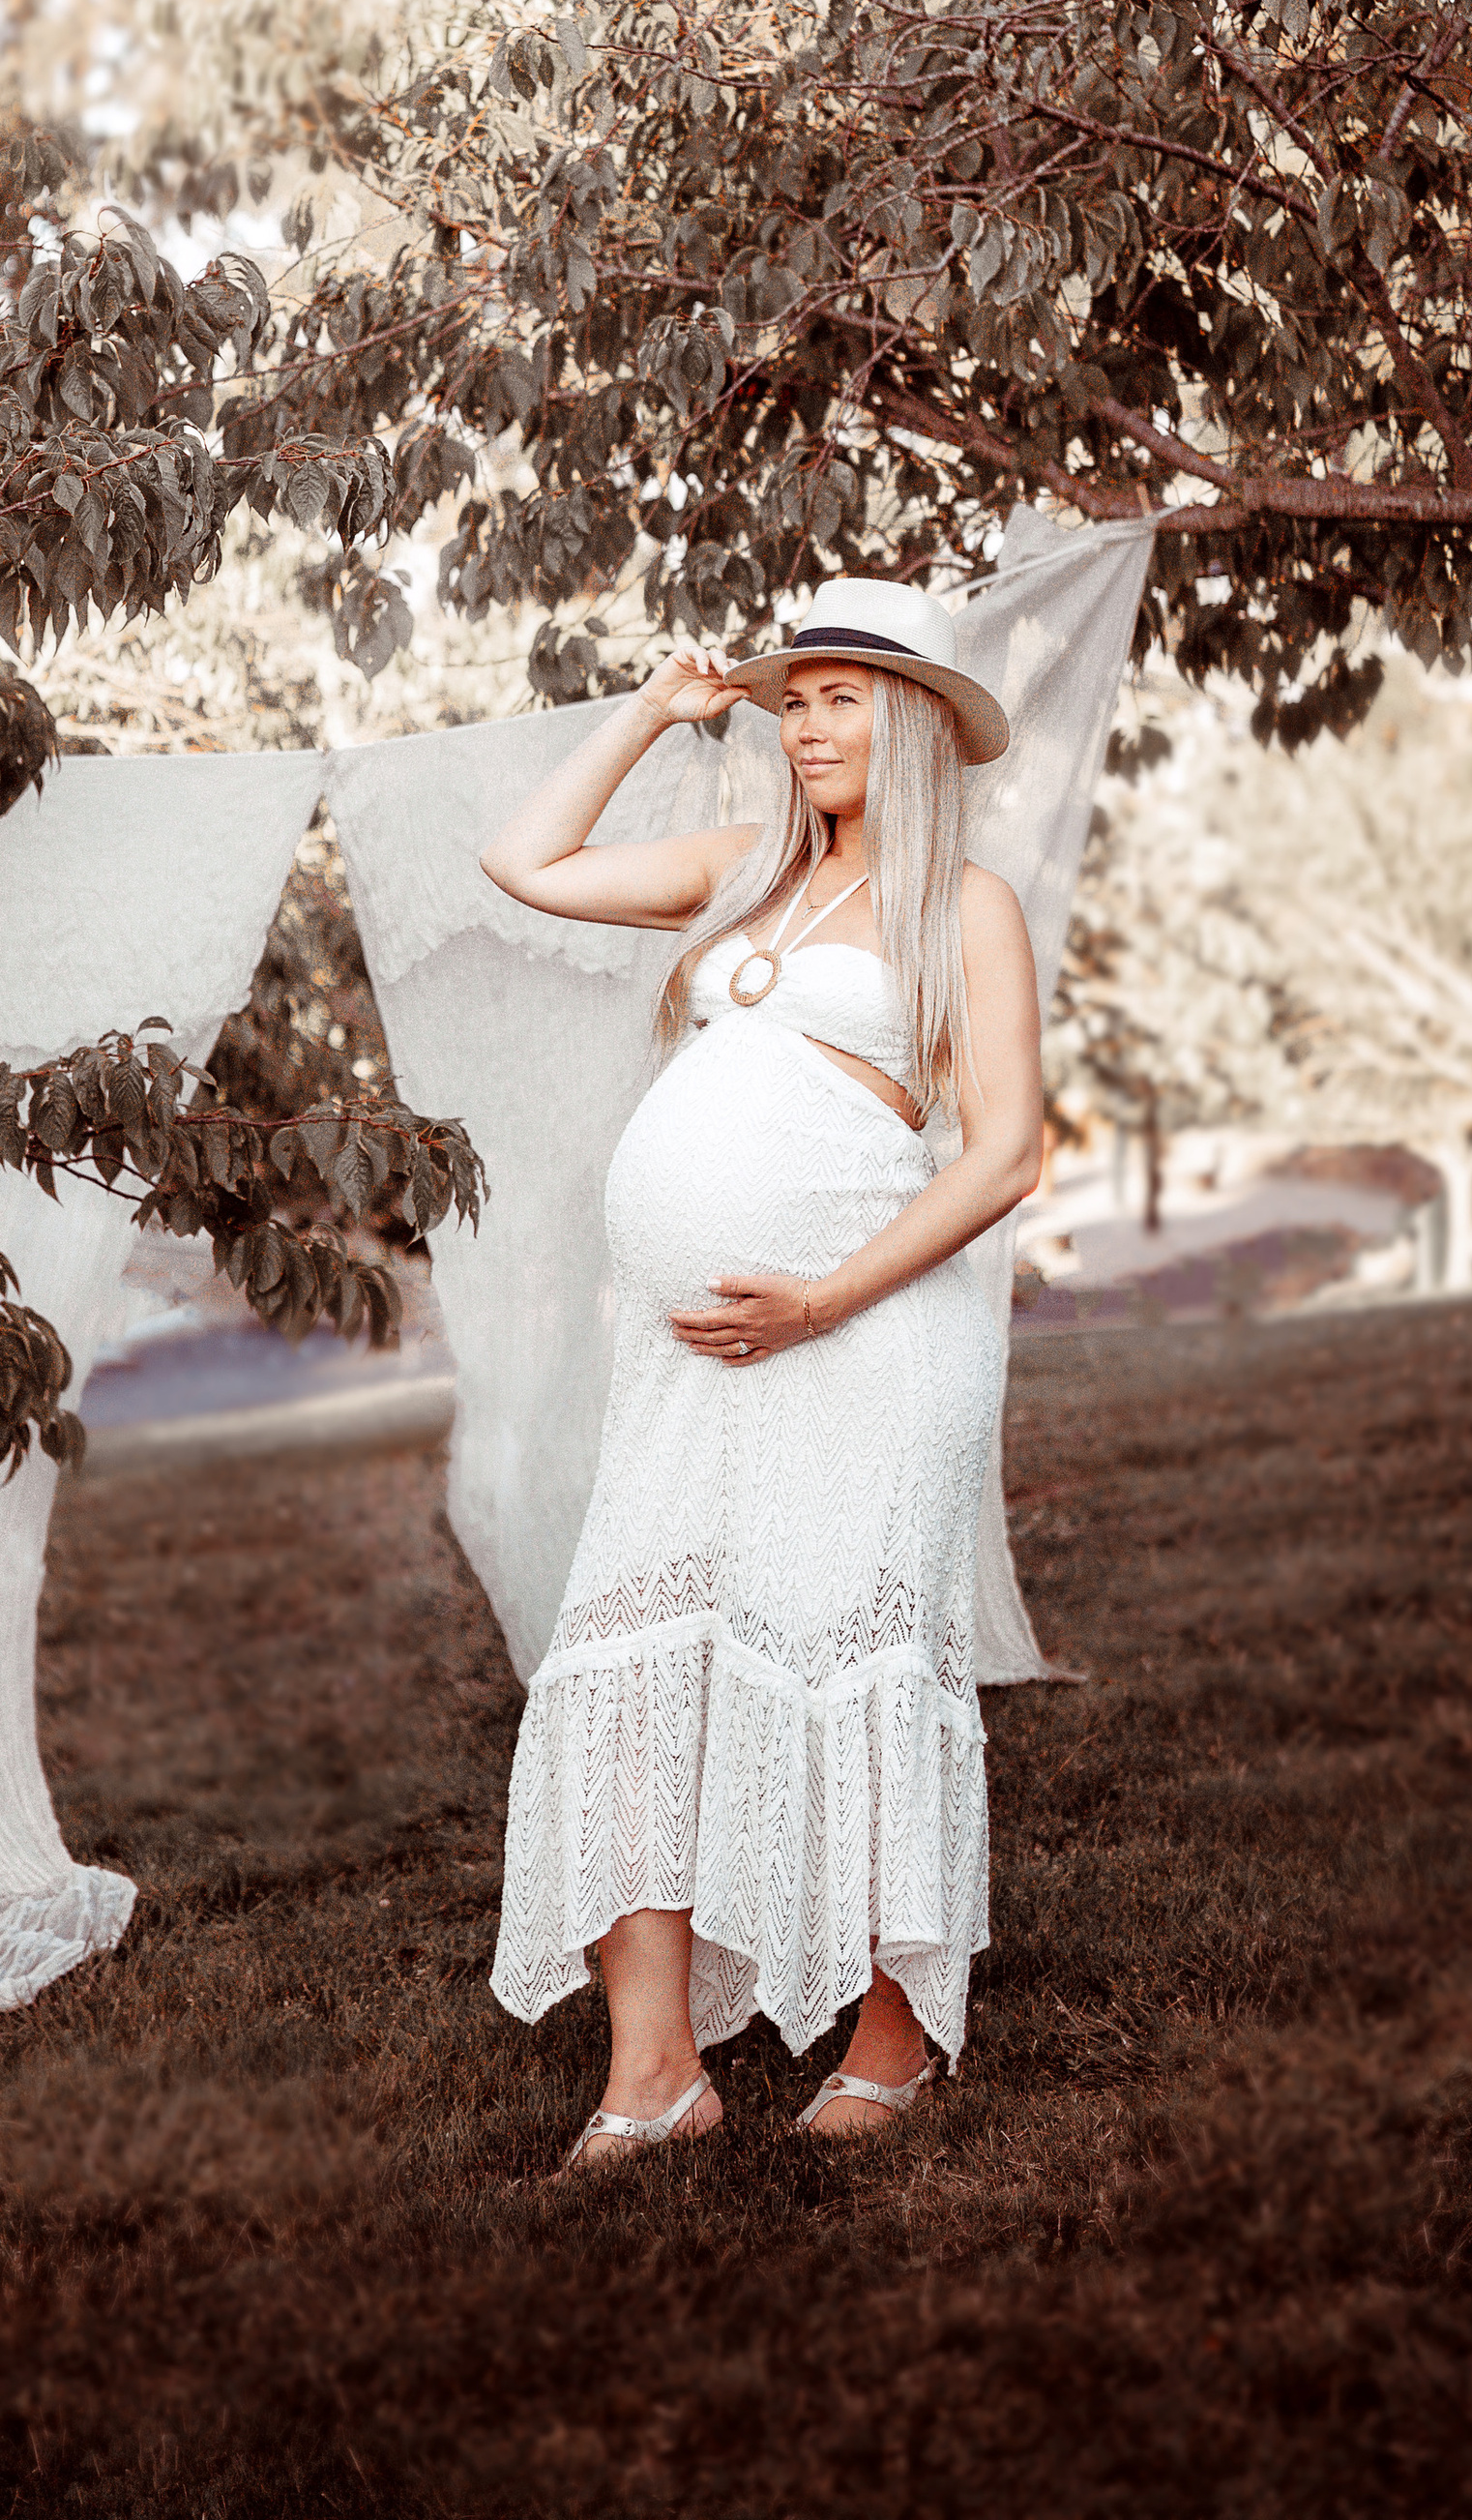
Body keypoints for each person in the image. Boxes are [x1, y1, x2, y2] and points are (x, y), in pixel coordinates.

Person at [477, 578, 1045, 2164]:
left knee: (853, 1661)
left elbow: (1004, 1156)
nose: (806, 723)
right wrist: (654, 714)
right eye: (791, 698)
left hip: (869, 1334)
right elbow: (524, 861)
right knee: (629, 1668)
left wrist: (820, 1300)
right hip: (692, 1361)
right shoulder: (737, 878)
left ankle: (892, 2031)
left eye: (843, 696)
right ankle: (655, 2075)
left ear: (918, 722)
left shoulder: (965, 909)